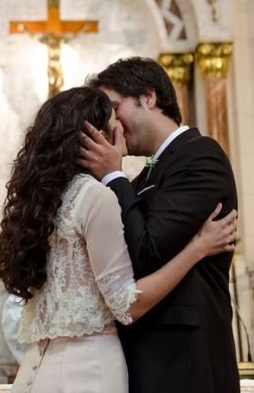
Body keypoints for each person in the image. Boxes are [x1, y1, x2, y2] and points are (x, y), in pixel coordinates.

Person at [0, 86, 237, 393]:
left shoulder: (44, 202)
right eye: (112, 120)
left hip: (40, 367)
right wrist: (197, 249)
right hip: (89, 370)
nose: (119, 128)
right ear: (97, 137)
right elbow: (127, 304)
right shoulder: (96, 196)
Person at [79, 56, 239, 393]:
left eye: (114, 106)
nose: (112, 124)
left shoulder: (200, 156)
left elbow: (147, 252)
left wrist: (112, 174)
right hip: (148, 355)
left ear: (148, 97)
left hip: (184, 358)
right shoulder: (143, 176)